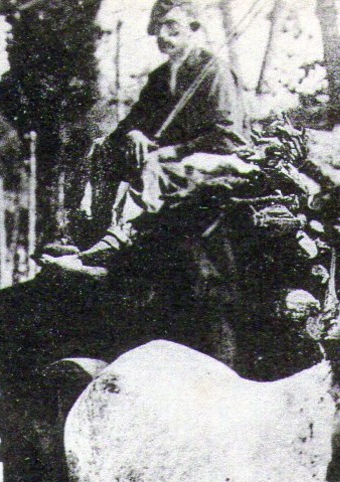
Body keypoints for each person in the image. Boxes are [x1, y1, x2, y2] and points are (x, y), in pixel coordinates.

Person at [44, 0, 250, 277]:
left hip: (217, 158)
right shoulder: (161, 77)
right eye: (157, 28)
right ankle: (91, 234)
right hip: (172, 157)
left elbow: (229, 136)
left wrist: (174, 151)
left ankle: (119, 239)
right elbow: (130, 122)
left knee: (153, 165)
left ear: (193, 28)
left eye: (172, 28)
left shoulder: (214, 72)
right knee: (102, 149)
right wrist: (135, 133)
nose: (163, 36)